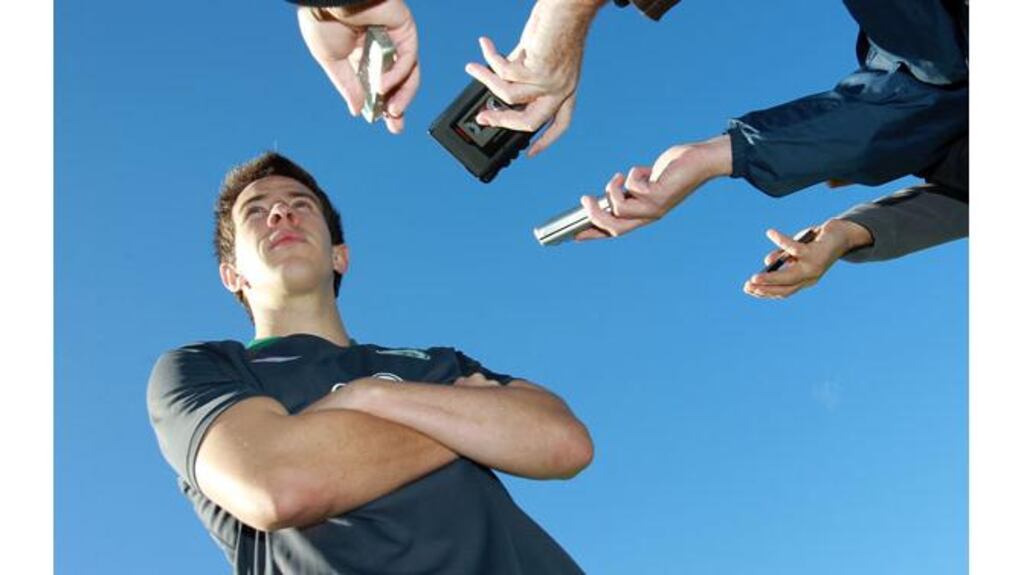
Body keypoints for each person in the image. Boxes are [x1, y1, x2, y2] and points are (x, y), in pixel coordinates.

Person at [146, 152, 593, 574]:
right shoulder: (204, 368)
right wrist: (470, 425)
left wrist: (370, 397)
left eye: (301, 204)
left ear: (340, 255)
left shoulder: (438, 360)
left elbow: (563, 441)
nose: (281, 214)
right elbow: (279, 484)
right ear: (232, 275)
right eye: (256, 212)